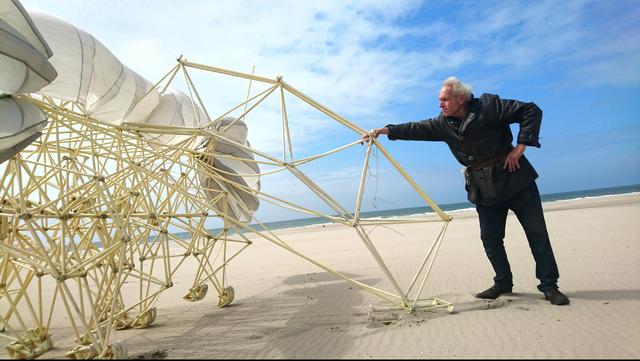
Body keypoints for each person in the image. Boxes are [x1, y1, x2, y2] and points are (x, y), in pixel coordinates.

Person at [361, 77, 569, 305]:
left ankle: (549, 286)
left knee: (537, 233)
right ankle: (503, 283)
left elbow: (530, 110)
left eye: (444, 100)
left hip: (515, 177)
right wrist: (384, 130)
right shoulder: (442, 124)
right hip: (484, 187)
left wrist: (519, 149)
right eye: (439, 101)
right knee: (490, 238)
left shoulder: (490, 107)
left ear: (461, 99)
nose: (440, 105)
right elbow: (415, 128)